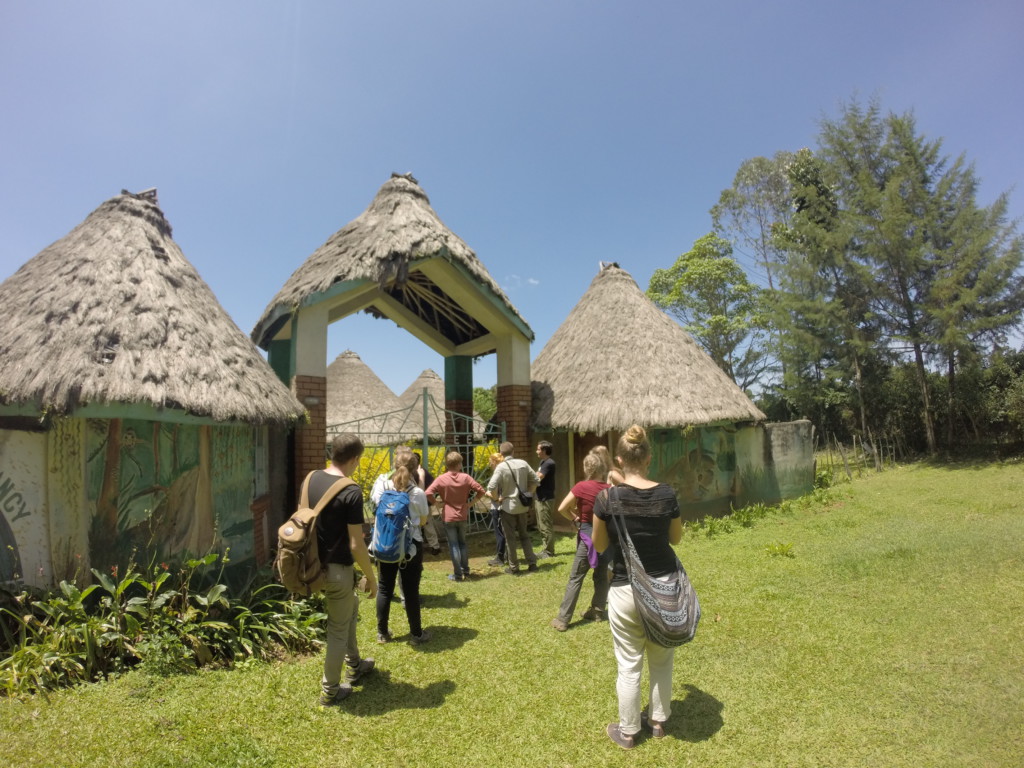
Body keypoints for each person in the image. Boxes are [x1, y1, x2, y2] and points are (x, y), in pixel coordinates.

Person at [593, 425, 683, 749]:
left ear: (619, 459)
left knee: (629, 664)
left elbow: (599, 545)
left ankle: (628, 731)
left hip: (624, 588)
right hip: (664, 588)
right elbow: (676, 538)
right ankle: (658, 722)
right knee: (662, 659)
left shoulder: (607, 498)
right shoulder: (667, 494)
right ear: (648, 458)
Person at [310, 433, 378, 706]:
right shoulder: (351, 491)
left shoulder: (310, 479)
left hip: (311, 566)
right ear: (355, 459)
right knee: (338, 630)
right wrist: (371, 577)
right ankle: (330, 690)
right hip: (337, 569)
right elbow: (356, 544)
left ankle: (355, 664)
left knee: (350, 610)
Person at [371, 450, 432, 645]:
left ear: (394, 466)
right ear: (415, 469)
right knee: (411, 590)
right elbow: (423, 521)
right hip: (410, 546)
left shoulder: (383, 487)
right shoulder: (417, 493)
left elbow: (375, 507)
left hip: (385, 542)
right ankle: (416, 634)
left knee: (384, 588)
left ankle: (382, 633)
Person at [549, 453, 611, 631]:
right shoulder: (609, 489)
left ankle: (563, 619)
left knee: (576, 577)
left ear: (586, 468)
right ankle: (597, 611)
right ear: (602, 469)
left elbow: (562, 508)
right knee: (601, 576)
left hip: (587, 538)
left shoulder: (581, 487)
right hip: (605, 538)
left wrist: (575, 518)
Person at [426, 451, 488, 581]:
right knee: (462, 543)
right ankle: (466, 570)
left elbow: (428, 493)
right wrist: (470, 504)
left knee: (453, 545)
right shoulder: (466, 478)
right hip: (462, 515)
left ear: (447, 464)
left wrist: (436, 503)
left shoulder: (441, 479)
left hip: (448, 516)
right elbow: (481, 491)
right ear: (459, 464)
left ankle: (458, 574)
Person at [486, 441, 539, 574]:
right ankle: (532, 563)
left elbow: (491, 486)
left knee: (510, 539)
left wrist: (496, 499)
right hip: (522, 506)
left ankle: (514, 567)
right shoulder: (523, 463)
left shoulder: (501, 467)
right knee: (524, 535)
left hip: (507, 507)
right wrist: (529, 493)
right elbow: (536, 480)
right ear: (513, 451)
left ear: (501, 453)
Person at [534, 440, 557, 558]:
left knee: (546, 525)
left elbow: (538, 477)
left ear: (544, 450)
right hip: (540, 497)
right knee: (541, 525)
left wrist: (532, 475)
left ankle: (549, 551)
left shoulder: (549, 463)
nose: (536, 451)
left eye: (538, 449)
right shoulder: (543, 462)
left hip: (545, 498)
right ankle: (545, 549)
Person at [485, 452, 507, 566]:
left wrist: (489, 495)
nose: (490, 465)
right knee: (505, 532)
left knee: (499, 533)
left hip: (497, 507)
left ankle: (500, 557)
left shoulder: (497, 474)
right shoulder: (506, 472)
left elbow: (493, 490)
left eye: (491, 462)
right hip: (506, 506)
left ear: (494, 462)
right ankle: (507, 555)